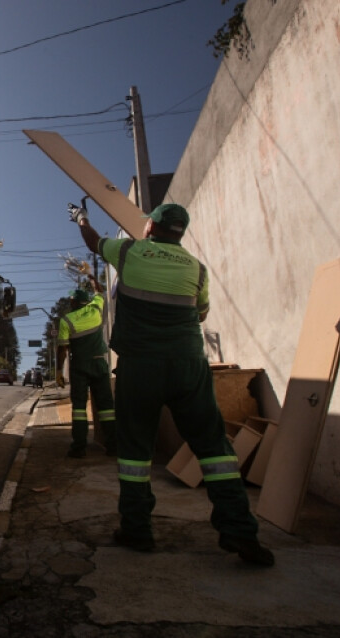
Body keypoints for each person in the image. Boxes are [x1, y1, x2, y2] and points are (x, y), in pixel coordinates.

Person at [70, 201, 274, 566]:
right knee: (215, 450)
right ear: (181, 232)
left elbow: (93, 242)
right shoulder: (197, 268)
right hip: (188, 366)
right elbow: (201, 313)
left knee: (135, 453)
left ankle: (137, 530)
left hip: (140, 366)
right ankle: (241, 532)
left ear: (150, 227)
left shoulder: (130, 251)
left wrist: (80, 218)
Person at [54, 273, 115, 458]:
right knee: (107, 408)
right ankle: (113, 446)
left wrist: (59, 371)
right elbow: (100, 291)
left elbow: (63, 349)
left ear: (73, 302)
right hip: (99, 363)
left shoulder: (67, 320)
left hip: (79, 366)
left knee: (79, 408)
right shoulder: (95, 309)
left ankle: (79, 447)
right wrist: (90, 276)